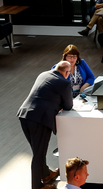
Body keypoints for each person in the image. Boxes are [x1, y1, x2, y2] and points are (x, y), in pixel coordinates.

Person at [17, 61, 73, 189]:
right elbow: (68, 106)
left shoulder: (43, 74)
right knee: (39, 154)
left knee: (38, 151)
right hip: (40, 120)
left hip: (24, 115)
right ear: (66, 72)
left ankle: (46, 174)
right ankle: (37, 186)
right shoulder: (64, 83)